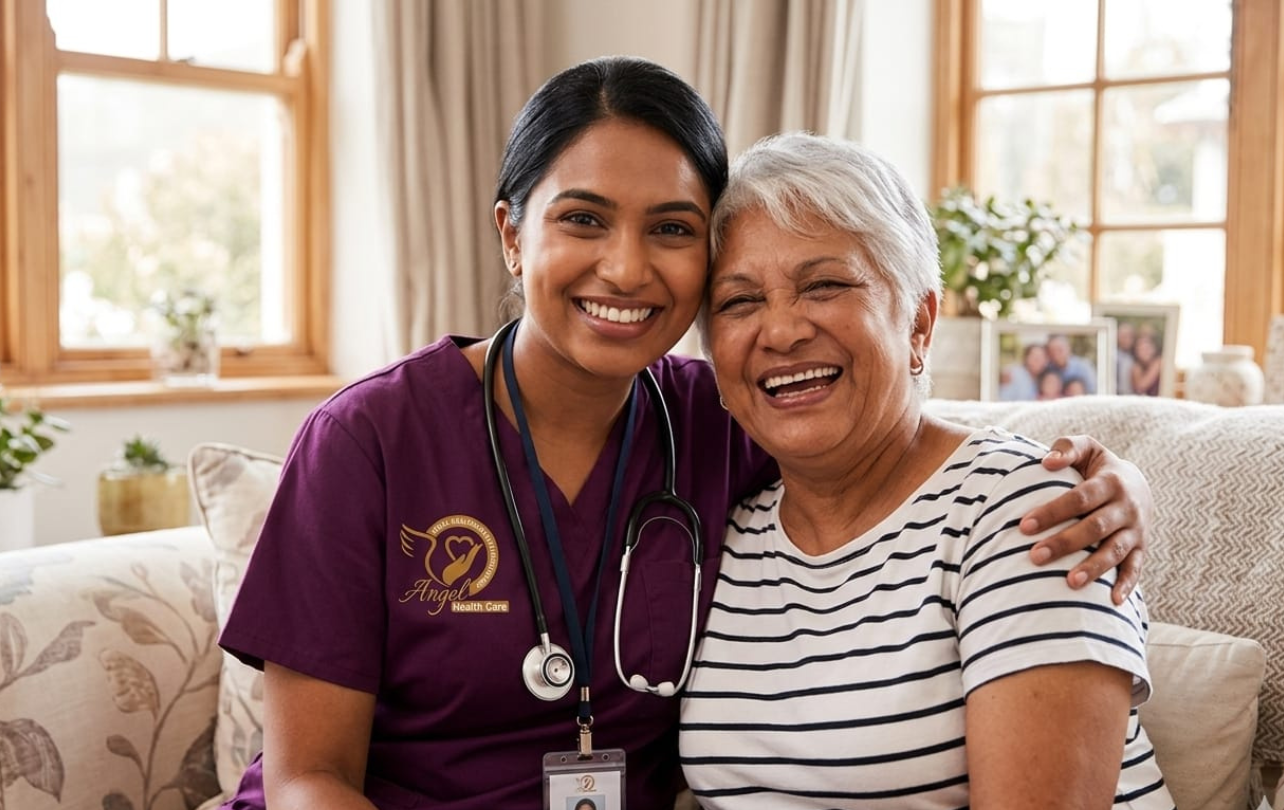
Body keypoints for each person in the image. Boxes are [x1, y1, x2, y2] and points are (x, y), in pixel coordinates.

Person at [216, 57, 1154, 810]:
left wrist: (1111, 480)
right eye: (582, 219)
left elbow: (901, 444)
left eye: (671, 228)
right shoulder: (369, 438)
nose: (624, 268)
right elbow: (309, 779)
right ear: (512, 235)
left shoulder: (724, 417)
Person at [679, 132, 1172, 807]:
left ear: (919, 322)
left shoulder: (1028, 511)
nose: (782, 330)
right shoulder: (725, 534)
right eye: (739, 301)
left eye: (823, 285)